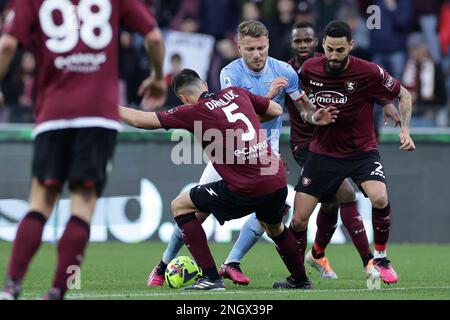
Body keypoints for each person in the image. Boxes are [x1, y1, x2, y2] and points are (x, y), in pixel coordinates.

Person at [0, 0, 166, 300]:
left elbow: (7, 44)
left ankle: (11, 286)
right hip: (98, 117)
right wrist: (156, 76)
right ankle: (57, 292)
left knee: (39, 202)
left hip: (53, 114)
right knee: (82, 206)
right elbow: (154, 37)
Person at [119, 68, 338, 290]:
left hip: (246, 185)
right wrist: (267, 96)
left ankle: (211, 278)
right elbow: (272, 109)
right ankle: (301, 280)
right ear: (205, 83)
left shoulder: (193, 111)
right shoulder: (236, 92)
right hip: (275, 177)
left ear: (184, 99)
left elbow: (140, 121)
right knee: (275, 228)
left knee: (180, 206)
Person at [146, 20, 316, 287]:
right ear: (239, 48)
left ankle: (231, 264)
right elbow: (239, 116)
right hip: (228, 150)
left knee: (269, 217)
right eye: (250, 49)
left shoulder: (285, 71)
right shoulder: (230, 74)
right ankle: (163, 264)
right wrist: (270, 95)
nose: (257, 54)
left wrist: (316, 116)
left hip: (263, 150)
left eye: (261, 48)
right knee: (196, 214)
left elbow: (301, 109)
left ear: (269, 44)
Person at [273, 21, 415, 288]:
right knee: (300, 219)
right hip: (322, 152)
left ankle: (380, 259)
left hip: (361, 150)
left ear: (351, 45)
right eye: (329, 50)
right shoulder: (308, 68)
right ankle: (299, 277)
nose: (334, 56)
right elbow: (299, 99)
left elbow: (403, 94)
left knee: (379, 197)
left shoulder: (368, 70)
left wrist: (405, 130)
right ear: (322, 46)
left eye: (340, 50)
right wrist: (312, 115)